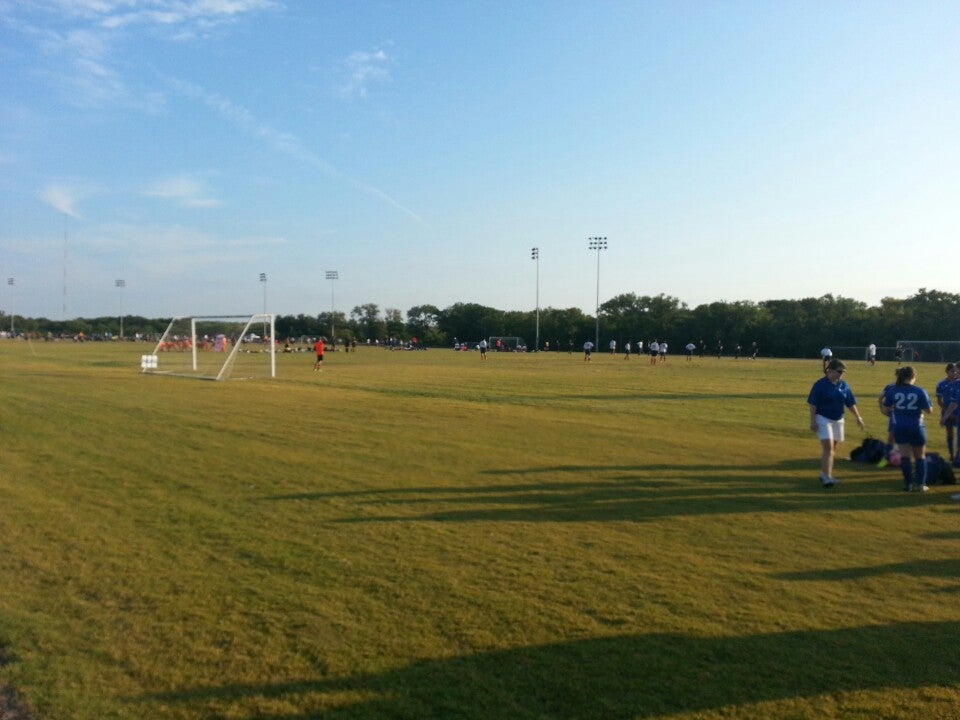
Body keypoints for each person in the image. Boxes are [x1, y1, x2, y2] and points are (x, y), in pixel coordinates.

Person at [807, 359, 865, 487]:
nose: (841, 374)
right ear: (830, 370)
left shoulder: (844, 385)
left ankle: (825, 474)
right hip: (823, 418)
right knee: (828, 447)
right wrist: (812, 421)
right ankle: (827, 477)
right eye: (839, 371)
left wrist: (858, 417)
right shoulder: (820, 385)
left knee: (833, 448)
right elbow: (812, 404)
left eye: (843, 372)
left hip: (838, 419)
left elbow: (850, 403)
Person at [882, 366, 932, 491]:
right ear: (913, 377)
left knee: (905, 457)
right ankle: (920, 485)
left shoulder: (893, 390)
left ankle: (908, 484)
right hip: (917, 426)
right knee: (920, 457)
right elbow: (929, 410)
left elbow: (886, 408)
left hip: (899, 426)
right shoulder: (920, 391)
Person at [936, 363, 957, 462]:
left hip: (958, 412)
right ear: (947, 372)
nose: (955, 373)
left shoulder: (958, 382)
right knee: (950, 433)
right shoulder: (941, 384)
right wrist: (947, 412)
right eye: (952, 371)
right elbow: (939, 401)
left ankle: (958, 455)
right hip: (946, 411)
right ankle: (951, 454)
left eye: (956, 371)